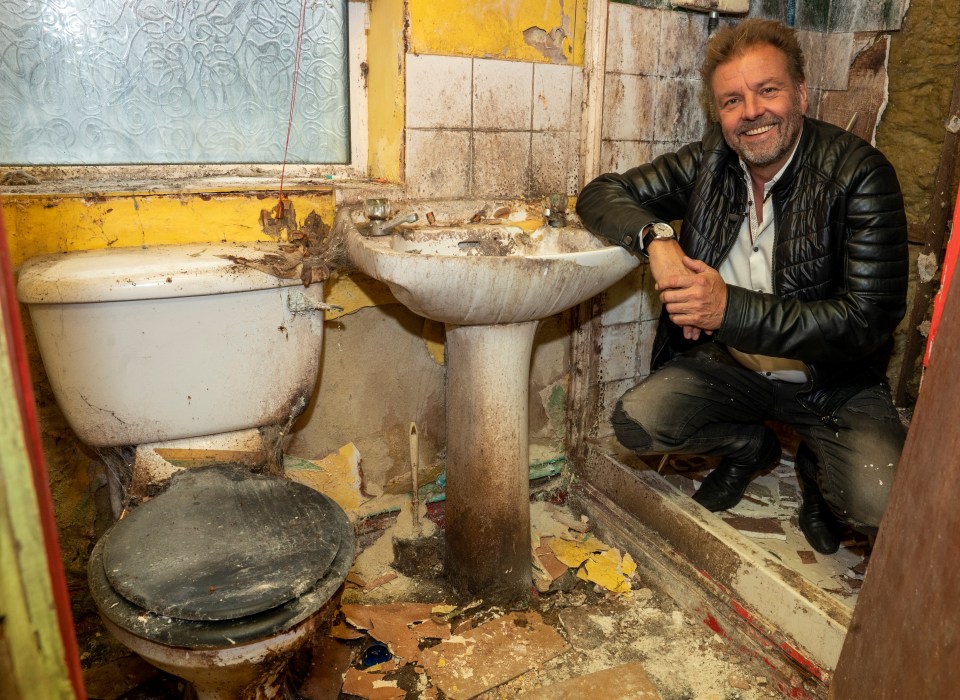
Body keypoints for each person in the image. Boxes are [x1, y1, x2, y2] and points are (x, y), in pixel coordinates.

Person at [575, 18, 908, 554]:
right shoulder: (712, 162)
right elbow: (601, 192)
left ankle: (818, 474)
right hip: (734, 366)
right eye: (732, 100)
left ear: (801, 93)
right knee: (638, 423)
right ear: (720, 114)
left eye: (767, 91)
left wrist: (729, 309)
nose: (751, 111)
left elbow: (867, 320)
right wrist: (658, 240)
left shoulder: (860, 175)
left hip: (833, 381)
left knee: (881, 502)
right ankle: (750, 449)